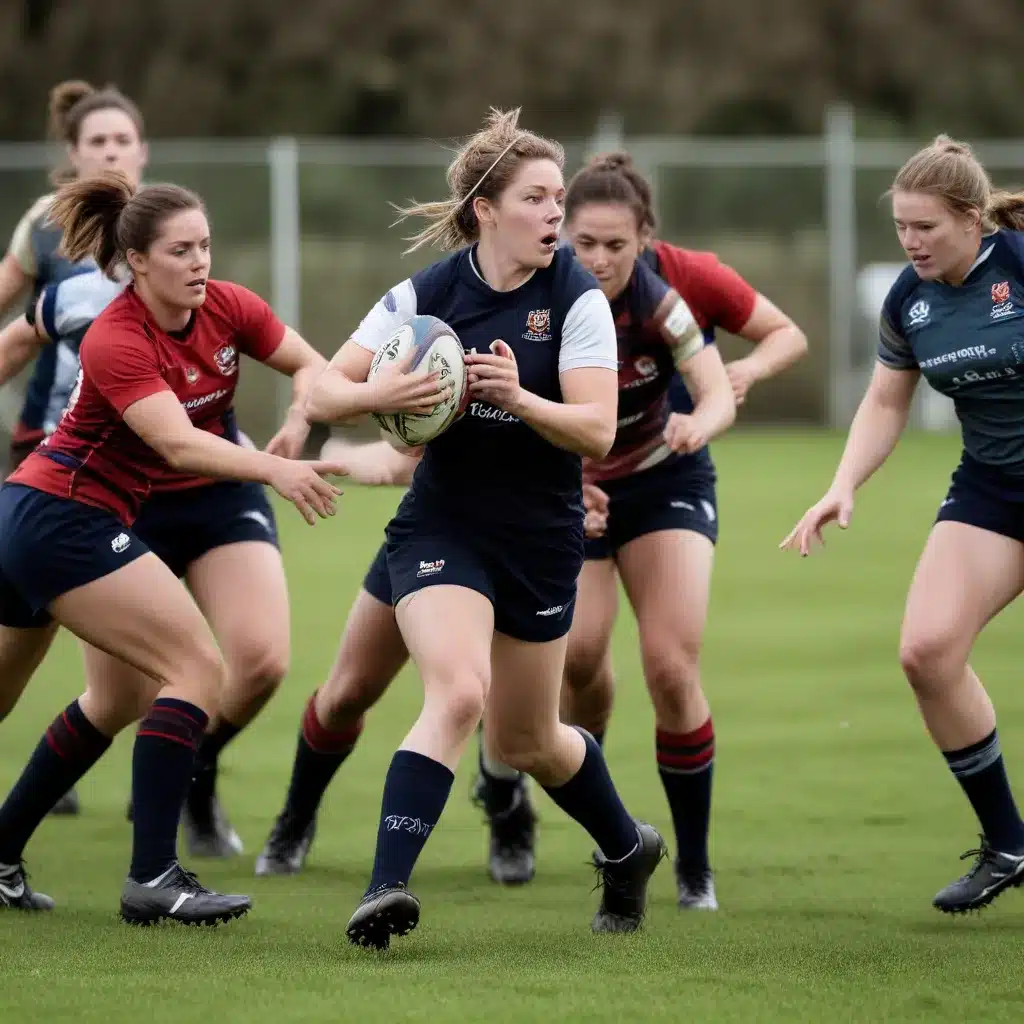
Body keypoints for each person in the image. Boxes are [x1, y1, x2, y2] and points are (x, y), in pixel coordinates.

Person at [301, 108, 665, 949]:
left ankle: (626, 848)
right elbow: (321, 391)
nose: (555, 215)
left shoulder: (573, 294)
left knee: (529, 738)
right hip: (445, 527)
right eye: (537, 198)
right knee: (460, 692)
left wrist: (517, 397)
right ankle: (384, 891)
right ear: (485, 210)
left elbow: (597, 431)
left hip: (540, 538)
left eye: (557, 197)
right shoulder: (424, 297)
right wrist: (377, 399)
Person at [0, 171, 342, 924]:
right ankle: (153, 875)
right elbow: (179, 447)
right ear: (138, 262)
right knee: (196, 669)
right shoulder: (115, 334)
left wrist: (314, 407)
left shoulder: (223, 306)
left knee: (120, 696)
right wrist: (279, 468)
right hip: (63, 518)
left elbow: (313, 366)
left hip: (38, 514)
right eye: (180, 250)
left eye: (206, 246)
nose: (199, 261)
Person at [553, 153, 808, 910]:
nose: (598, 259)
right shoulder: (542, 292)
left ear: (646, 239)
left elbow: (771, 345)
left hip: (666, 476)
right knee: (580, 658)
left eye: (616, 246)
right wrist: (569, 482)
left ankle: (693, 864)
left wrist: (725, 396)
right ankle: (559, 797)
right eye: (583, 244)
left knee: (670, 666)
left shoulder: (675, 290)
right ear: (561, 235)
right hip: (578, 485)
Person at [781, 134, 1024, 914]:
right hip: (993, 491)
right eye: (901, 229)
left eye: (926, 227)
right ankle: (1008, 845)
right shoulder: (910, 303)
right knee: (926, 652)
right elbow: (887, 401)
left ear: (971, 218)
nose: (911, 242)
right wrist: (841, 484)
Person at [0, 79, 149, 816]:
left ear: (143, 150)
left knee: (131, 655)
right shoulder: (45, 229)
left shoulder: (165, 229)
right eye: (98, 141)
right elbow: (14, 325)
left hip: (139, 460)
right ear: (73, 154)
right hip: (47, 451)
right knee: (31, 630)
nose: (112, 151)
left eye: (123, 140)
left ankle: (76, 760)